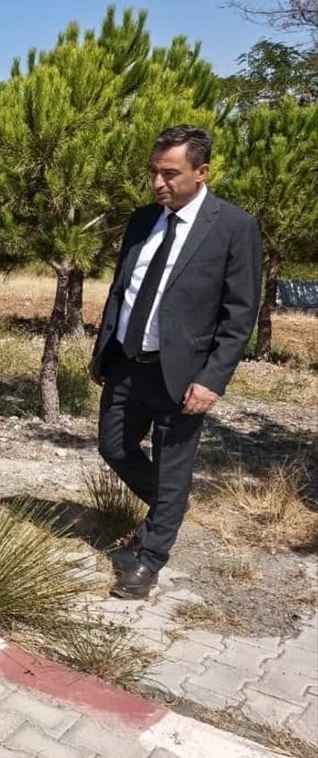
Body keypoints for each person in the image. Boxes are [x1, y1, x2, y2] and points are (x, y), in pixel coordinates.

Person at [90, 125, 262, 600]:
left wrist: (213, 379)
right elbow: (120, 289)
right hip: (127, 361)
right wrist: (103, 349)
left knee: (173, 464)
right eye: (154, 172)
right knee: (113, 446)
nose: (158, 183)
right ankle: (170, 510)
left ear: (201, 172)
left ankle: (150, 558)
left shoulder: (233, 227)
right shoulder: (143, 219)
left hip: (182, 372)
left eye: (170, 173)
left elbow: (240, 312)